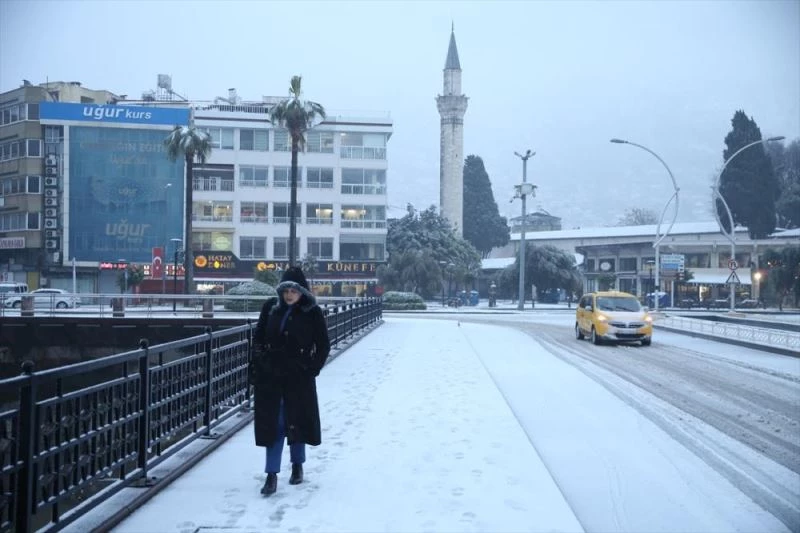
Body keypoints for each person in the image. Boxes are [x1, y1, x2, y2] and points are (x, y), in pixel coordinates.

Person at [251, 267, 330, 496]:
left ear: (302, 292)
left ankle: (297, 465)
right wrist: (262, 361)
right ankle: (271, 474)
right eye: (286, 290)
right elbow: (258, 338)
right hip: (271, 377)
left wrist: (311, 369)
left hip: (298, 377)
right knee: (274, 425)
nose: (289, 295)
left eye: (294, 291)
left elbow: (323, 345)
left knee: (297, 421)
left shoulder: (312, 312)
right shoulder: (270, 308)